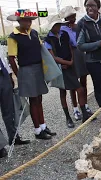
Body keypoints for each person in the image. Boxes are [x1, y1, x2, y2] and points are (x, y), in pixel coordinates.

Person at [7, 10, 56, 140]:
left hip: (38, 68)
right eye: (25, 20)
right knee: (33, 100)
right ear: (19, 21)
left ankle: (44, 126)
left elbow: (42, 51)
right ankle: (37, 130)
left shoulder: (34, 33)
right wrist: (19, 76)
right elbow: (12, 58)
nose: (28, 22)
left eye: (29, 20)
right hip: (26, 70)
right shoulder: (13, 37)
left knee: (39, 98)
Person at [44, 15, 90, 128]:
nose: (58, 27)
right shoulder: (48, 39)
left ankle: (84, 113)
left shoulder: (64, 34)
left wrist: (71, 60)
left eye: (59, 24)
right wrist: (64, 62)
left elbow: (70, 47)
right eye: (56, 25)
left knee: (79, 88)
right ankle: (68, 117)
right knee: (63, 92)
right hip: (59, 68)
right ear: (52, 26)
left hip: (69, 65)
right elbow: (52, 57)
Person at [59, 6, 95, 121]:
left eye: (73, 16)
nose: (72, 18)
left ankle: (85, 106)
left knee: (83, 81)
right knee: (73, 84)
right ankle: (75, 109)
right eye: (70, 17)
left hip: (81, 53)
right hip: (71, 55)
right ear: (65, 18)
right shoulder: (62, 29)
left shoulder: (78, 26)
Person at [0, 57, 31, 158]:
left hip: (3, 74)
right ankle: (0, 146)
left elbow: (2, 57)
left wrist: (9, 74)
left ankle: (13, 137)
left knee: (9, 109)